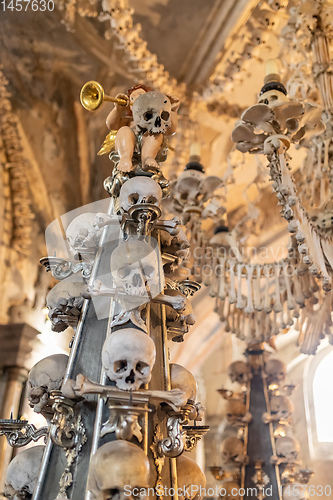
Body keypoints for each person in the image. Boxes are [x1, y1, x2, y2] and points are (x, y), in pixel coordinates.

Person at [105, 83, 179, 172]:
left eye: (141, 96)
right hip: (130, 146)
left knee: (155, 133)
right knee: (124, 130)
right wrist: (117, 109)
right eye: (132, 98)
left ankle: (148, 158)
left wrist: (173, 110)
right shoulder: (128, 121)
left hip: (147, 145)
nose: (136, 99)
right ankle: (125, 158)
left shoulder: (156, 120)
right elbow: (111, 124)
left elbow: (170, 130)